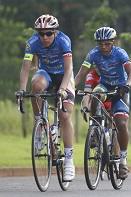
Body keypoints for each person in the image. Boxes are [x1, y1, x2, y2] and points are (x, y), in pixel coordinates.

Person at [16, 14, 76, 181]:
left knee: (65, 115)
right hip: (47, 74)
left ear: (55, 32)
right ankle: (41, 125)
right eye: (41, 33)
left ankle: (69, 160)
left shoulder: (64, 41)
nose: (44, 37)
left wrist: (63, 89)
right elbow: (26, 68)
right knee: (36, 85)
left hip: (64, 76)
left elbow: (69, 68)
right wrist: (21, 90)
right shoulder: (32, 42)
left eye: (48, 33)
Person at [74, 26, 131, 179]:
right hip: (105, 85)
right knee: (95, 93)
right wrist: (71, 87)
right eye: (100, 43)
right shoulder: (93, 54)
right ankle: (96, 127)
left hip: (120, 88)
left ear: (113, 42)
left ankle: (123, 160)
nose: (103, 47)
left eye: (107, 43)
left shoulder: (120, 53)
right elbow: (81, 73)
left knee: (121, 124)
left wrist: (127, 85)